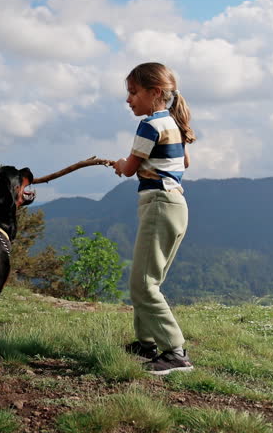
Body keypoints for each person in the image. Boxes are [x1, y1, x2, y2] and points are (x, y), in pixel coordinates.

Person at [113, 62, 195, 375]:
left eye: (133, 92)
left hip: (159, 204)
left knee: (143, 284)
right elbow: (183, 160)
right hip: (175, 206)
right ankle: (145, 343)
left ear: (155, 93)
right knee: (148, 280)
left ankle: (175, 352)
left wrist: (121, 164)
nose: (129, 99)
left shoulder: (150, 125)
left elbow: (130, 167)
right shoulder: (174, 124)